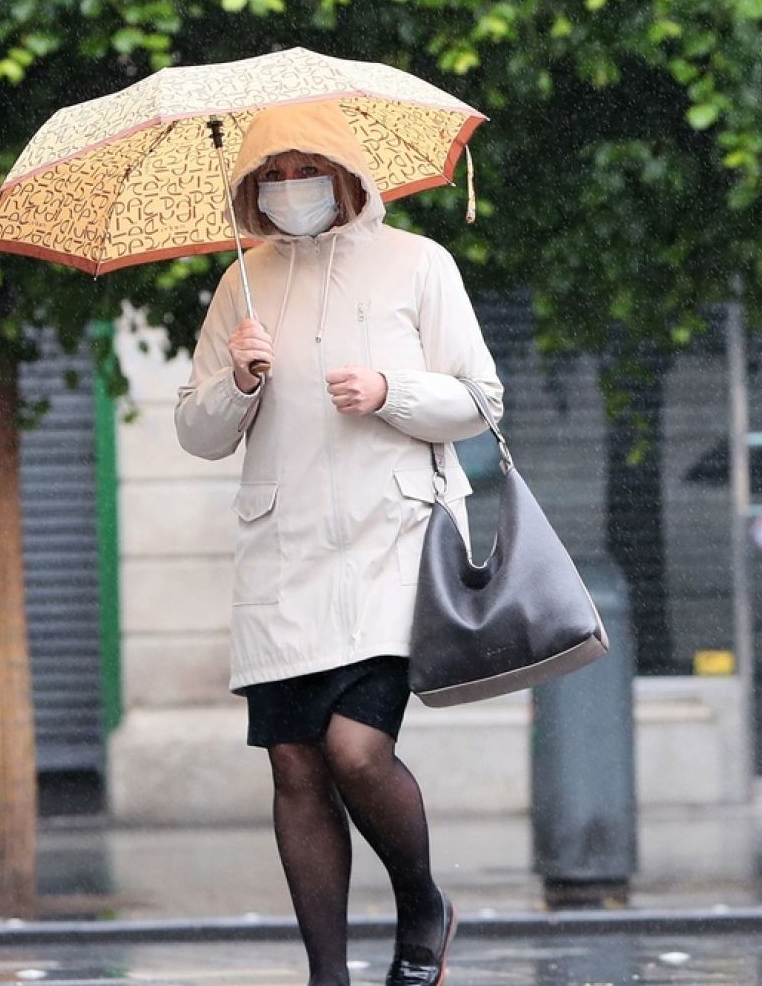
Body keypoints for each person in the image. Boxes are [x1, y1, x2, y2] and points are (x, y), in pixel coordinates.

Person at [174, 99, 504, 986]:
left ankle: (423, 903)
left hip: (391, 545)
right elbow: (197, 433)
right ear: (250, 192)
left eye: (304, 169)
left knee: (357, 750)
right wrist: (237, 381)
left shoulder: (418, 266)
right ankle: (328, 975)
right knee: (294, 765)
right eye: (271, 177)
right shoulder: (242, 285)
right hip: (282, 559)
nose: (291, 189)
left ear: (348, 173)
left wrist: (392, 389)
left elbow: (481, 400)